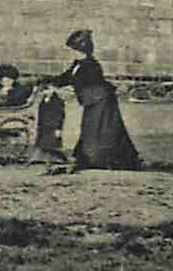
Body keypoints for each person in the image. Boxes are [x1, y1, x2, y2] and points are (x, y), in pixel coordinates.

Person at [42, 30, 141, 171]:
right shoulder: (78, 64)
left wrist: (60, 86)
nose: (72, 52)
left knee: (102, 129)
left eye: (74, 50)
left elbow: (90, 83)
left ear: (82, 49)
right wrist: (48, 81)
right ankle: (90, 157)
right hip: (92, 100)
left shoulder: (91, 65)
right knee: (92, 128)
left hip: (101, 100)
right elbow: (66, 77)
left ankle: (104, 159)